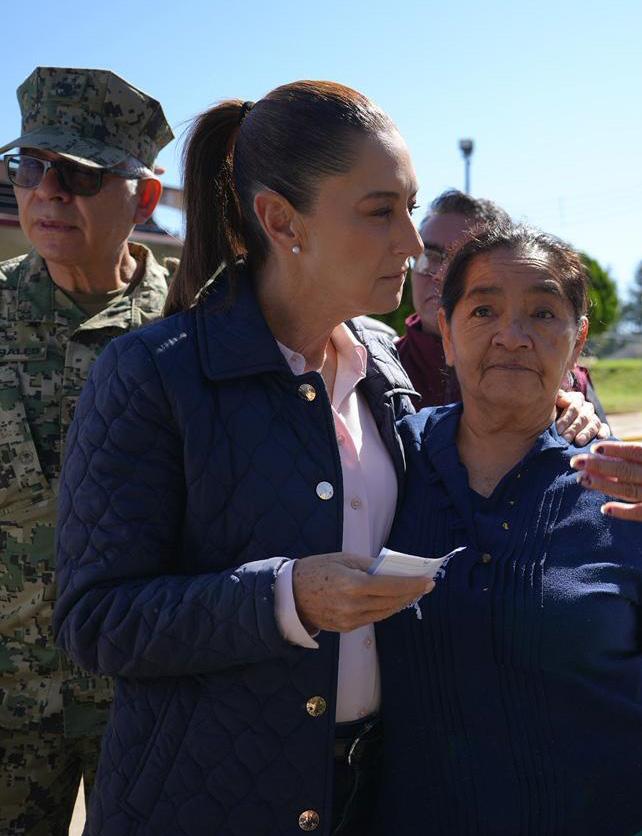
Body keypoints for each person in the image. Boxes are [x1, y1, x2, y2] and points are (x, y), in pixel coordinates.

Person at [53, 83, 601, 836]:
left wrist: (564, 411)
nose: (412, 244)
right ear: (282, 220)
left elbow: (467, 446)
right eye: (380, 212)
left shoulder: (379, 360)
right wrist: (284, 599)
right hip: (204, 803)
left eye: (409, 208)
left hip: (368, 797)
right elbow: (95, 620)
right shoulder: (153, 373)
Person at [377, 224, 642, 835]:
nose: (512, 336)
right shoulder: (386, 463)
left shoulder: (623, 490)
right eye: (483, 310)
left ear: (577, 342)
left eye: (543, 313)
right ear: (445, 334)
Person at [0, 66, 174, 835]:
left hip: (145, 697)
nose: (47, 192)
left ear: (144, 197)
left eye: (77, 174)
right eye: (29, 167)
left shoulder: (195, 329)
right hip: (9, 702)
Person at [397, 189, 608, 428]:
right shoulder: (377, 372)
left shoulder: (567, 382)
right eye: (430, 257)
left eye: (462, 260)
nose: (441, 275)